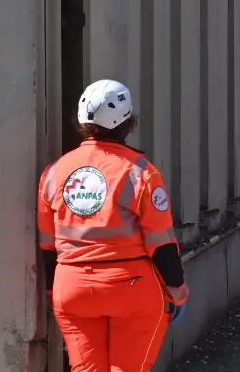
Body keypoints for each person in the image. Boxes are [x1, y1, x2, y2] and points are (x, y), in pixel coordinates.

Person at [38, 79, 188, 372]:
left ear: (81, 122)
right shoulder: (141, 173)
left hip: (71, 287)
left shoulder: (54, 173)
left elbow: (47, 244)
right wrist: (178, 291)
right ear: (129, 123)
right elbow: (161, 245)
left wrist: (51, 291)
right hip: (131, 287)